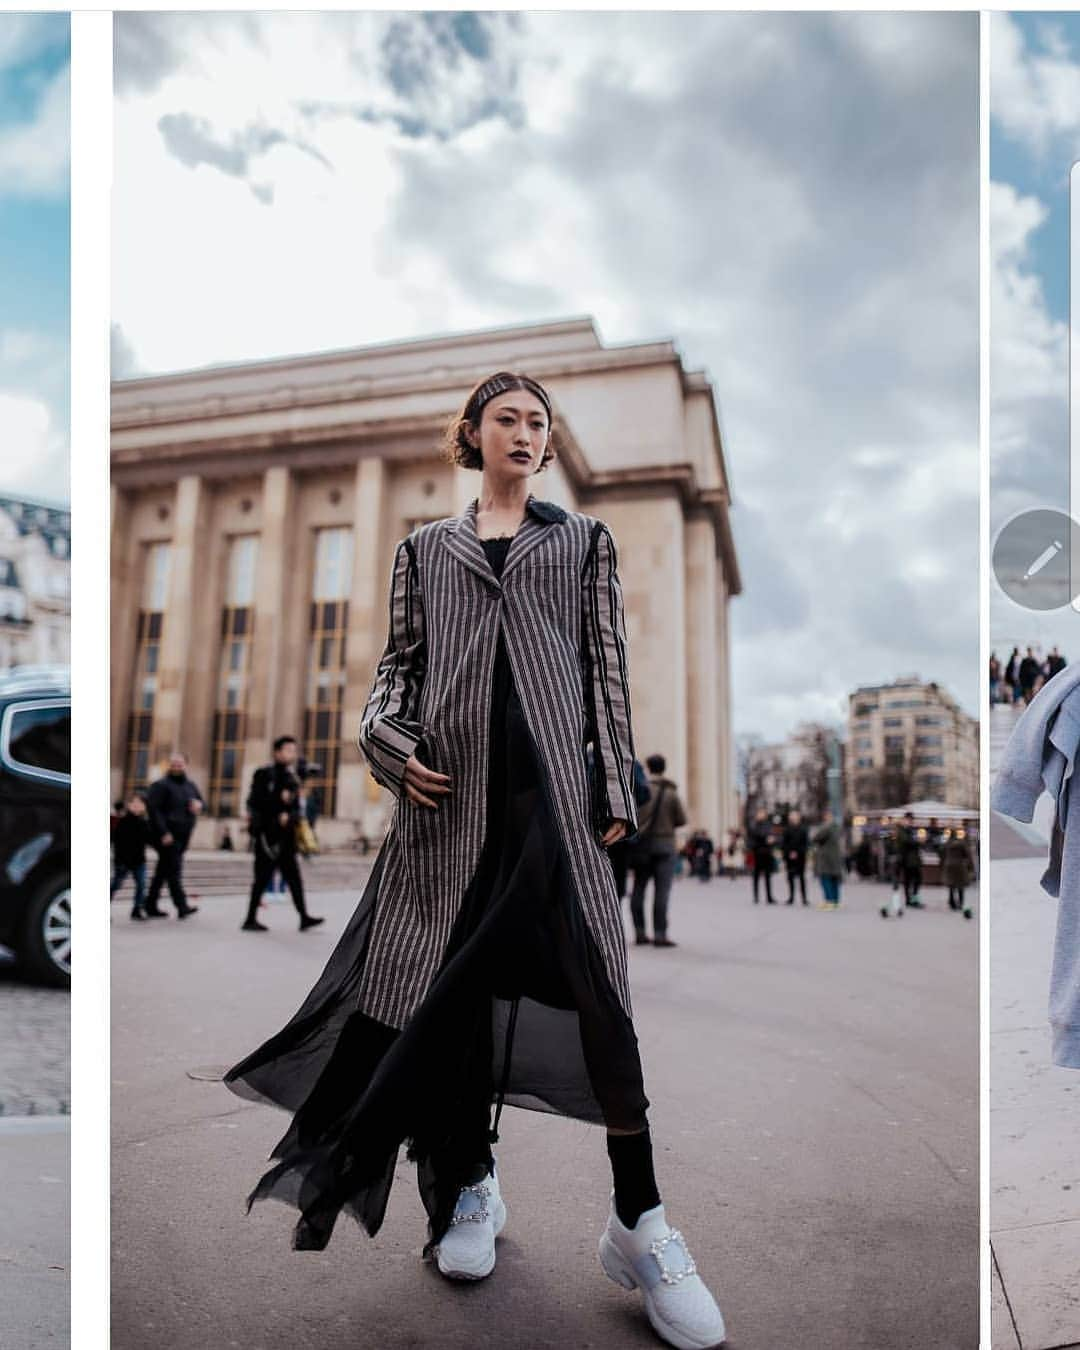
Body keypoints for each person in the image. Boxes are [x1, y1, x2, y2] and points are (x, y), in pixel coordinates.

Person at [222, 371, 725, 1347]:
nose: (528, 434)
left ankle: (643, 1222)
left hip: (552, 811)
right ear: (475, 434)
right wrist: (389, 746)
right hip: (446, 814)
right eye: (510, 419)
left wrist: (618, 789)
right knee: (442, 1007)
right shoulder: (424, 551)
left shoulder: (581, 541)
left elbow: (605, 670)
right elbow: (392, 678)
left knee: (603, 1004)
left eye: (540, 422)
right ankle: (466, 1188)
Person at [242, 735, 324, 933]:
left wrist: (290, 816)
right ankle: (250, 919)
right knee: (261, 878)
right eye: (288, 750)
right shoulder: (263, 774)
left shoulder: (292, 778)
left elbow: (297, 808)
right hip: (267, 838)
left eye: (294, 750)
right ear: (277, 752)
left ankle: (304, 917)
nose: (292, 754)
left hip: (286, 839)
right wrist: (274, 815)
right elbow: (254, 803)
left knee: (294, 878)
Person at [627, 754, 689, 946]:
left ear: (648, 767)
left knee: (638, 889)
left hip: (642, 846)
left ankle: (639, 932)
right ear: (664, 768)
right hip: (665, 846)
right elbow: (682, 820)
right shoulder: (671, 793)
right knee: (662, 891)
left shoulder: (639, 790)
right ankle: (660, 934)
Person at [144, 752, 202, 918]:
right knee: (174, 871)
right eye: (174, 763)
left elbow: (200, 802)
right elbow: (154, 811)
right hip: (168, 836)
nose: (177, 766)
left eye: (180, 763)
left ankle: (150, 904)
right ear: (169, 765)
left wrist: (199, 806)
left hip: (184, 835)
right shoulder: (160, 785)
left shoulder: (190, 786)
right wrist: (164, 832)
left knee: (163, 870)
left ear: (186, 765)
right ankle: (182, 906)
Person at [110, 791, 151, 920]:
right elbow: (115, 841)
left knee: (141, 885)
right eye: (135, 802)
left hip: (139, 861)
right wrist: (119, 860)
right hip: (123, 861)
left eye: (141, 803)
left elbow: (149, 839)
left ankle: (137, 910)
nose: (137, 806)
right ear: (129, 804)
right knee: (115, 885)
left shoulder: (144, 822)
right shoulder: (122, 821)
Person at [812, 810, 844, 908]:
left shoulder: (826, 827)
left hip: (826, 857)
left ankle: (829, 901)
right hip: (835, 857)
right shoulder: (837, 827)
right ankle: (836, 901)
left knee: (825, 879)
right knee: (834, 879)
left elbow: (815, 838)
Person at [940, 829, 975, 916]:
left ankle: (951, 902)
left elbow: (941, 853)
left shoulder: (947, 844)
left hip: (949, 865)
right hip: (959, 865)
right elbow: (968, 855)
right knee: (960, 884)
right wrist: (971, 867)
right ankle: (960, 903)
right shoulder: (962, 843)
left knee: (951, 884)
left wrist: (944, 863)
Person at [893, 813, 924, 908]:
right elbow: (906, 842)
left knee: (916, 880)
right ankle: (909, 900)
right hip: (907, 860)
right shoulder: (901, 830)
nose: (910, 822)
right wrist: (918, 842)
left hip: (913, 859)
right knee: (909, 880)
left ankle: (912, 899)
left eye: (911, 820)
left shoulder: (909, 830)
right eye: (909, 820)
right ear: (904, 819)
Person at [781, 809, 809, 905]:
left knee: (801, 877)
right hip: (789, 857)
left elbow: (805, 843)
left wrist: (798, 852)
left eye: (795, 816)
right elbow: (784, 844)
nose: (793, 818)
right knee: (790, 877)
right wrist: (789, 853)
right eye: (792, 817)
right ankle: (791, 897)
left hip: (800, 856)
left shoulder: (803, 829)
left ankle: (804, 898)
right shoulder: (786, 830)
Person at [748, 808, 776, 904]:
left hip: (767, 853)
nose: (761, 815)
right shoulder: (753, 824)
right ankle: (756, 896)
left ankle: (769, 897)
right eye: (760, 813)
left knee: (768, 876)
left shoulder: (768, 825)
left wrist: (771, 839)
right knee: (756, 876)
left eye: (763, 813)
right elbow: (756, 835)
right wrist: (766, 838)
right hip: (757, 853)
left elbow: (772, 836)